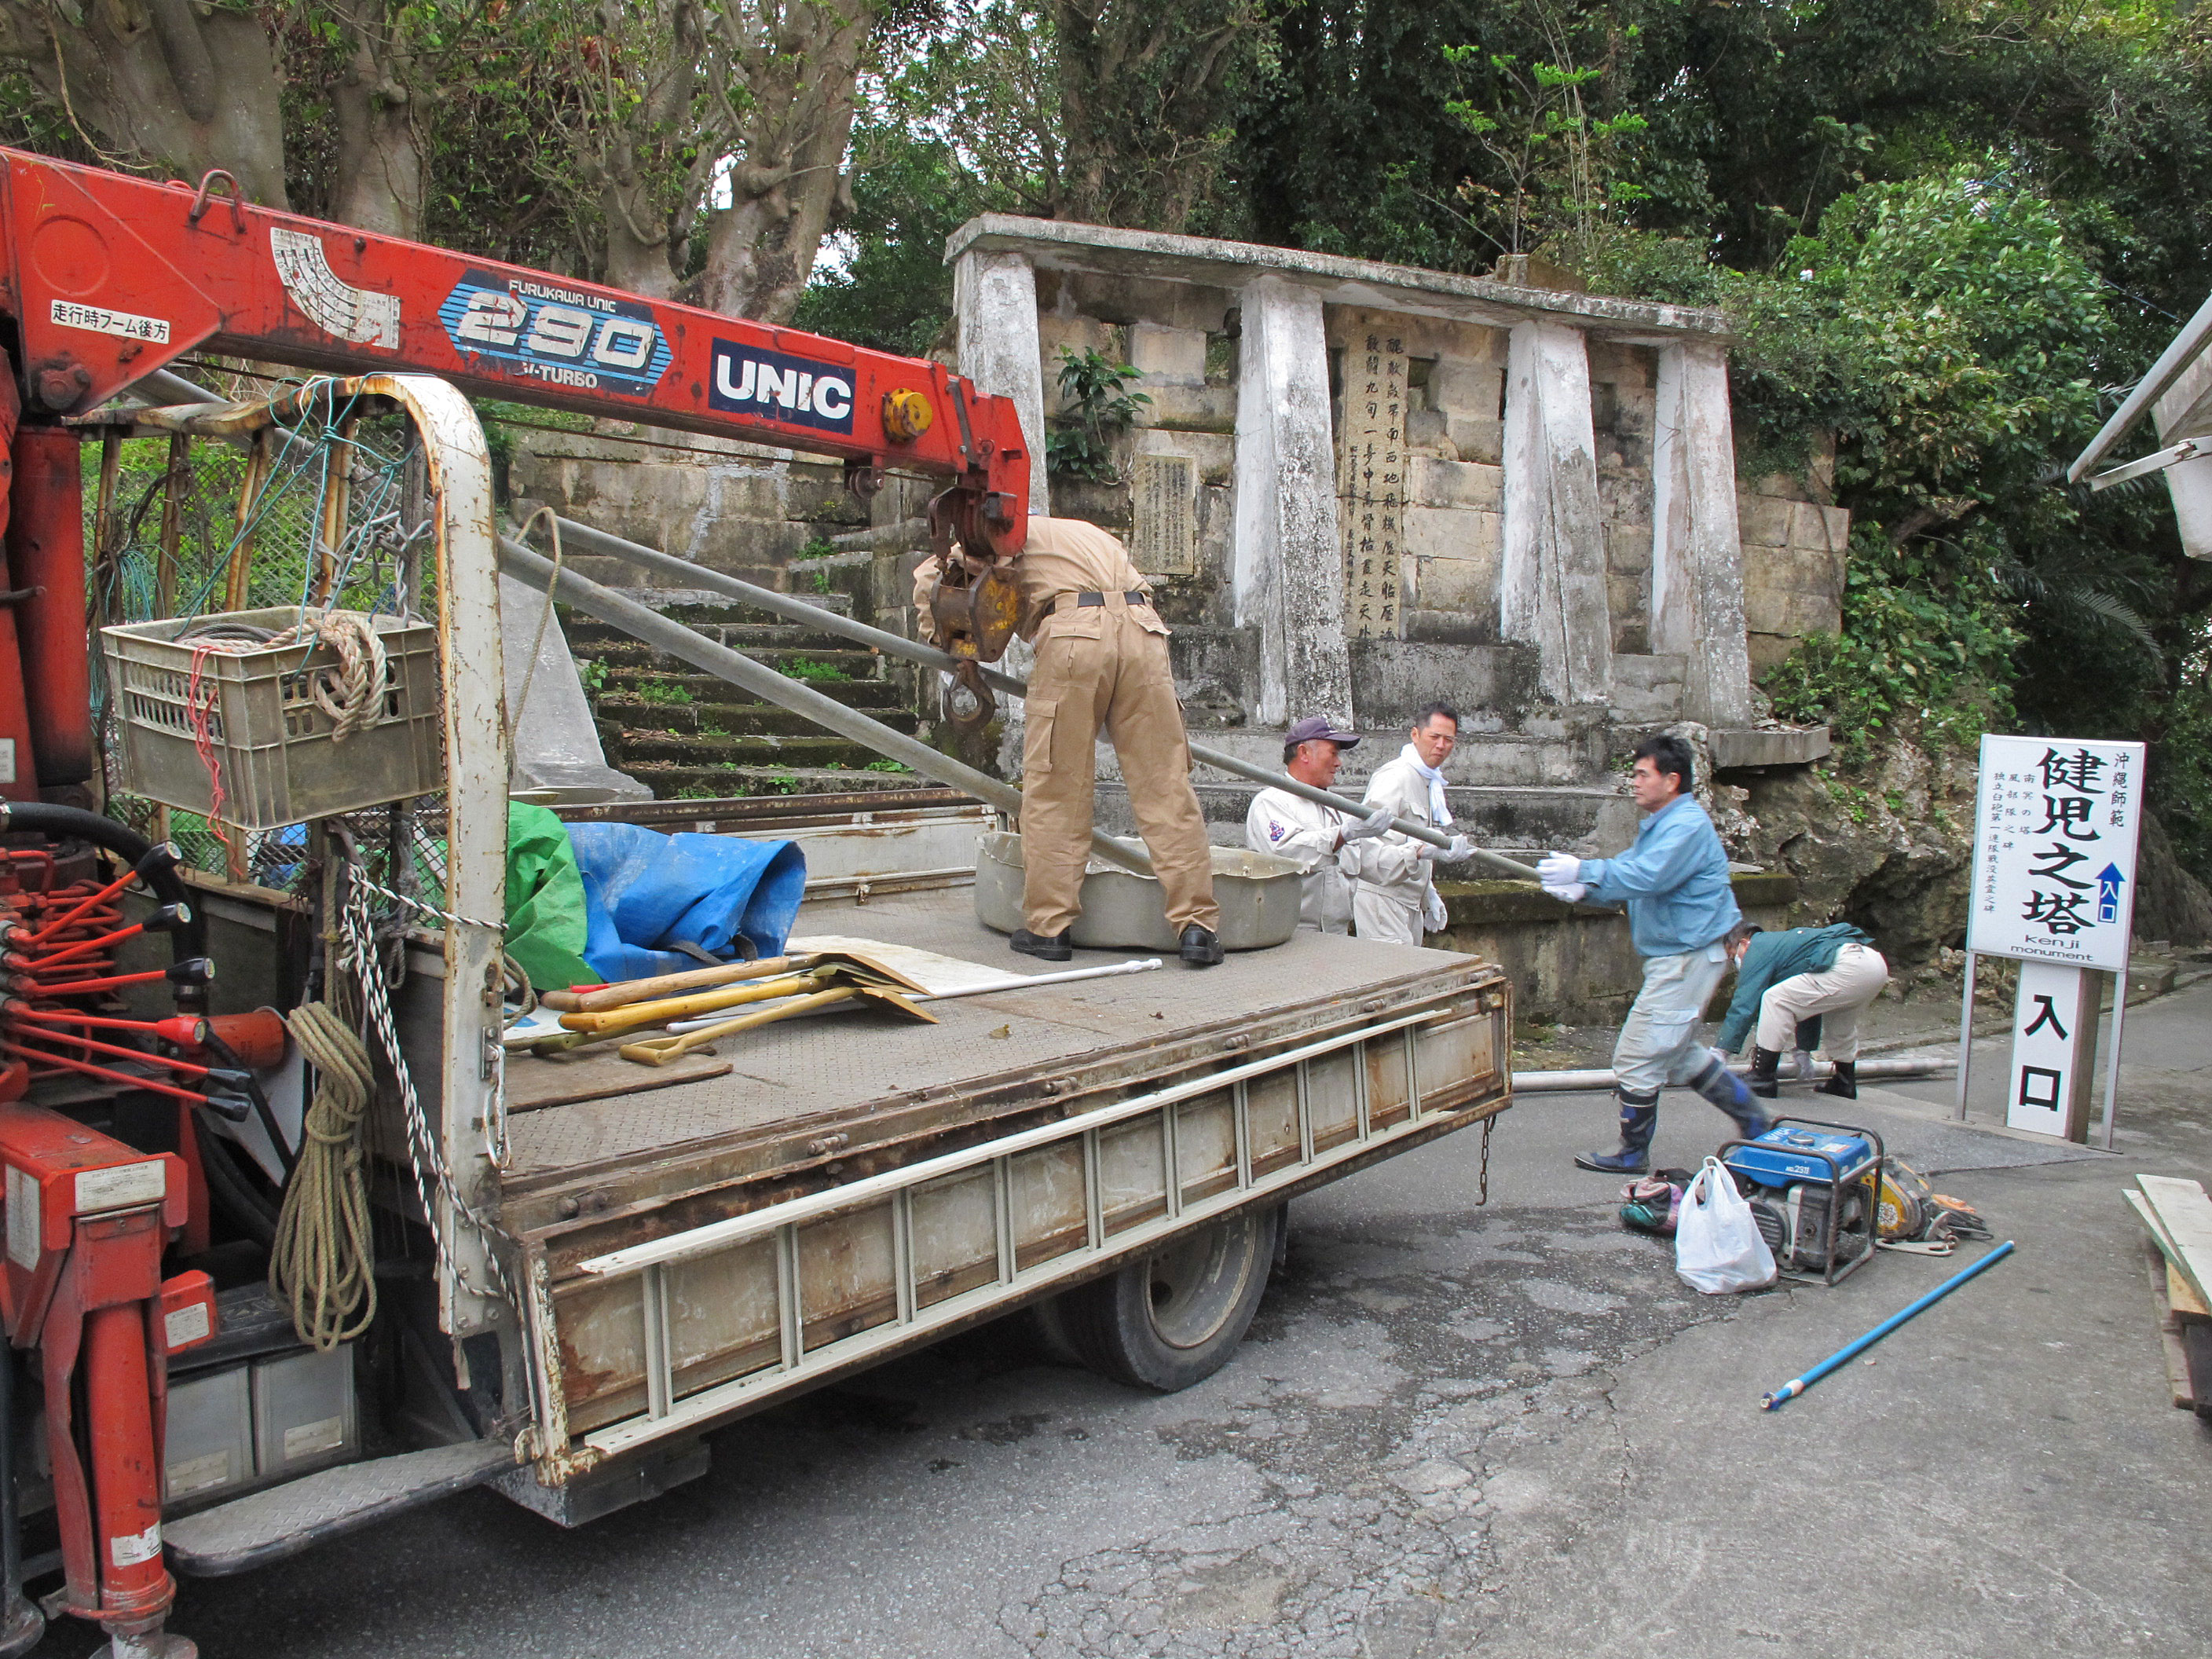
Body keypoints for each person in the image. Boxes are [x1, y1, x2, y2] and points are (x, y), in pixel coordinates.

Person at [912, 515, 1223, 966]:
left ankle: (1050, 928)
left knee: (1057, 789)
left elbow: (930, 579)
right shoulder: (1085, 531)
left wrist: (952, 647)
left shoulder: (1000, 532)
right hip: (1147, 633)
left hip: (1074, 633)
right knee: (1166, 786)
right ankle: (1198, 928)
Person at [1537, 733, 1770, 1174]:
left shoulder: (1684, 826)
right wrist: (1586, 891)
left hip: (1687, 956)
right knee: (1681, 1056)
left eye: (1644, 774)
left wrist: (1585, 870)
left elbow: (1646, 876)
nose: (1635, 782)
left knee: (1637, 1055)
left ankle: (1632, 1151)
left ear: (1672, 780)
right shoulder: (1664, 823)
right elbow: (1638, 885)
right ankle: (1756, 1123)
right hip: (1684, 953)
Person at [1245, 716, 1413, 934]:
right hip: (1289, 934)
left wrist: (1419, 852)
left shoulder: (1337, 809)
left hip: (1337, 935)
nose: (1338, 762)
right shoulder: (1272, 802)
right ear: (1304, 753)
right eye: (1333, 752)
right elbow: (1288, 854)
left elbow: (1375, 864)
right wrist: (1342, 835)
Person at [1715, 921, 1888, 1101]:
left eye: (1732, 955)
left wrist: (1722, 1049)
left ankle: (1762, 1077)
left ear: (1744, 943)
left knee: (1775, 999)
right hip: (1873, 963)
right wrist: (1804, 1049)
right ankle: (1844, 1082)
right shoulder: (1785, 947)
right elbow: (1808, 1005)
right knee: (1840, 1022)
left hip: (1849, 966)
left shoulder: (1758, 946)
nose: (1735, 961)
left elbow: (1744, 1004)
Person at [1356, 703, 1474, 944]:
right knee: (1391, 976)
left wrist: (1427, 891)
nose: (1441, 746)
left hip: (1409, 900)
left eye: (1449, 739)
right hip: (1383, 899)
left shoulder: (1428, 781)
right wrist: (1423, 851)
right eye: (1435, 737)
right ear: (1415, 735)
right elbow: (1368, 849)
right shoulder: (1395, 776)